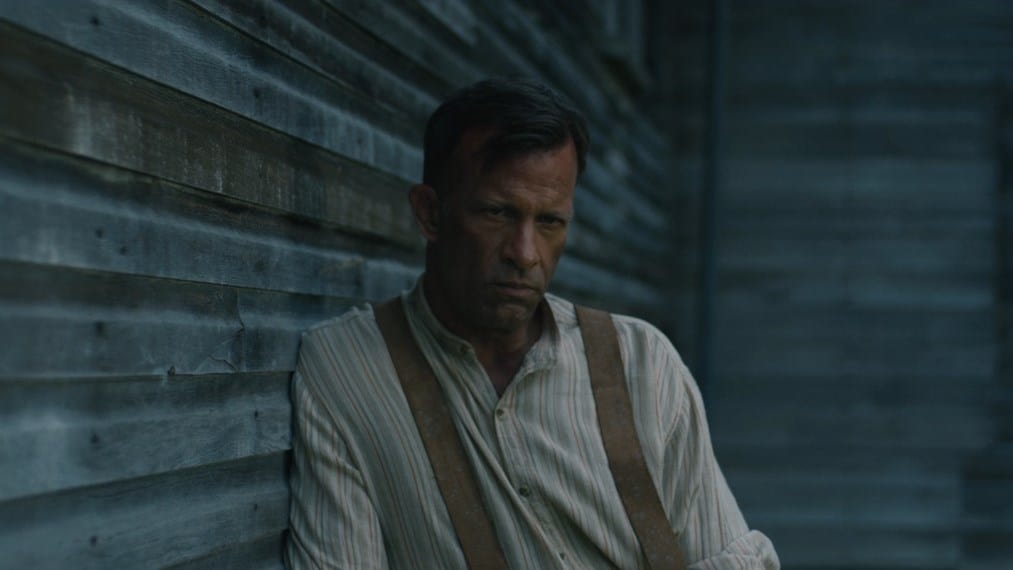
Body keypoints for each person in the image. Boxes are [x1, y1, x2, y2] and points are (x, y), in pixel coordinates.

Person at [285, 77, 779, 569]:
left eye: (549, 222)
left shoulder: (645, 364)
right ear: (430, 214)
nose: (524, 253)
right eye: (497, 213)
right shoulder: (348, 369)